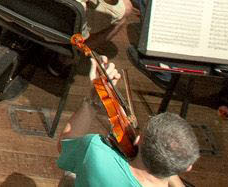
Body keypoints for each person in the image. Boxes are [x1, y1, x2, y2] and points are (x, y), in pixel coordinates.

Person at [58, 69, 200, 184]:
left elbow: (64, 144)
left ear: (138, 139)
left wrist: (92, 103)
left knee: (69, 177)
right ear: (188, 167)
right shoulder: (176, 170)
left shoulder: (95, 150)